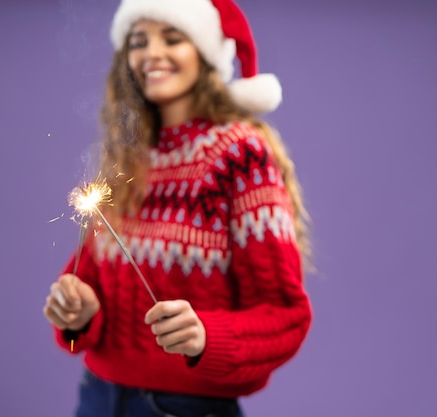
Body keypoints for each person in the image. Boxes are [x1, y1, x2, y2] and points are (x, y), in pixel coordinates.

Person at [43, 0, 312, 416]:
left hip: (186, 407)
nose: (151, 53)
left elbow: (285, 317)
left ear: (205, 54)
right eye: (138, 41)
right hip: (97, 396)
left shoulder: (239, 155)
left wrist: (207, 336)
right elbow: (82, 327)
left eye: (172, 38)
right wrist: (77, 314)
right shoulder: (126, 157)